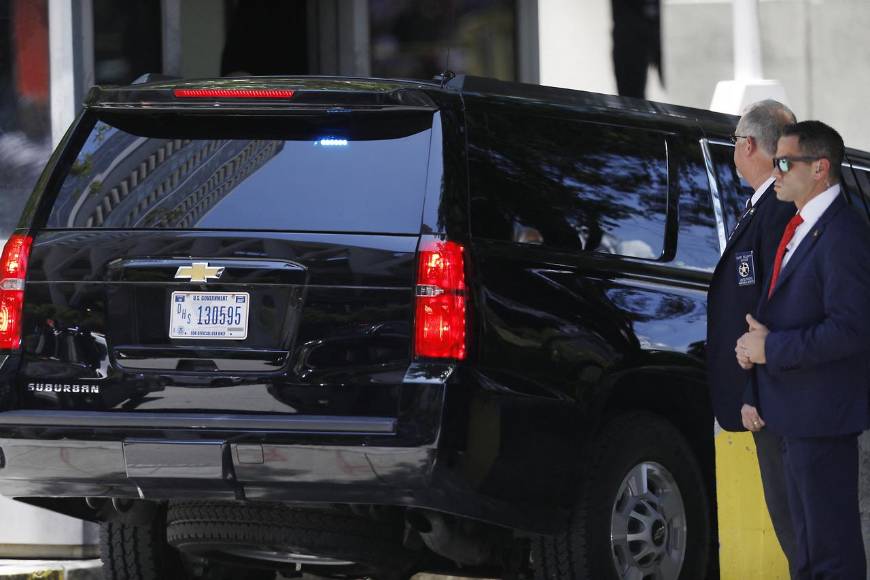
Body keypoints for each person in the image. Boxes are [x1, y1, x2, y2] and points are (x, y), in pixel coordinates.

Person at [737, 120, 870, 579]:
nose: (775, 172)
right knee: (808, 554)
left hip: (822, 418)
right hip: (792, 415)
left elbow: (851, 329)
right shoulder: (802, 226)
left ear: (820, 168)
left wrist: (772, 348)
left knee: (830, 553)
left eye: (784, 162)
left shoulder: (843, 234)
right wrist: (755, 347)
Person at [706, 99, 799, 575]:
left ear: (747, 146)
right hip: (768, 397)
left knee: (798, 529)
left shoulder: (779, 211)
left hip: (775, 399)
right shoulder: (763, 208)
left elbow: (773, 309)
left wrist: (754, 391)